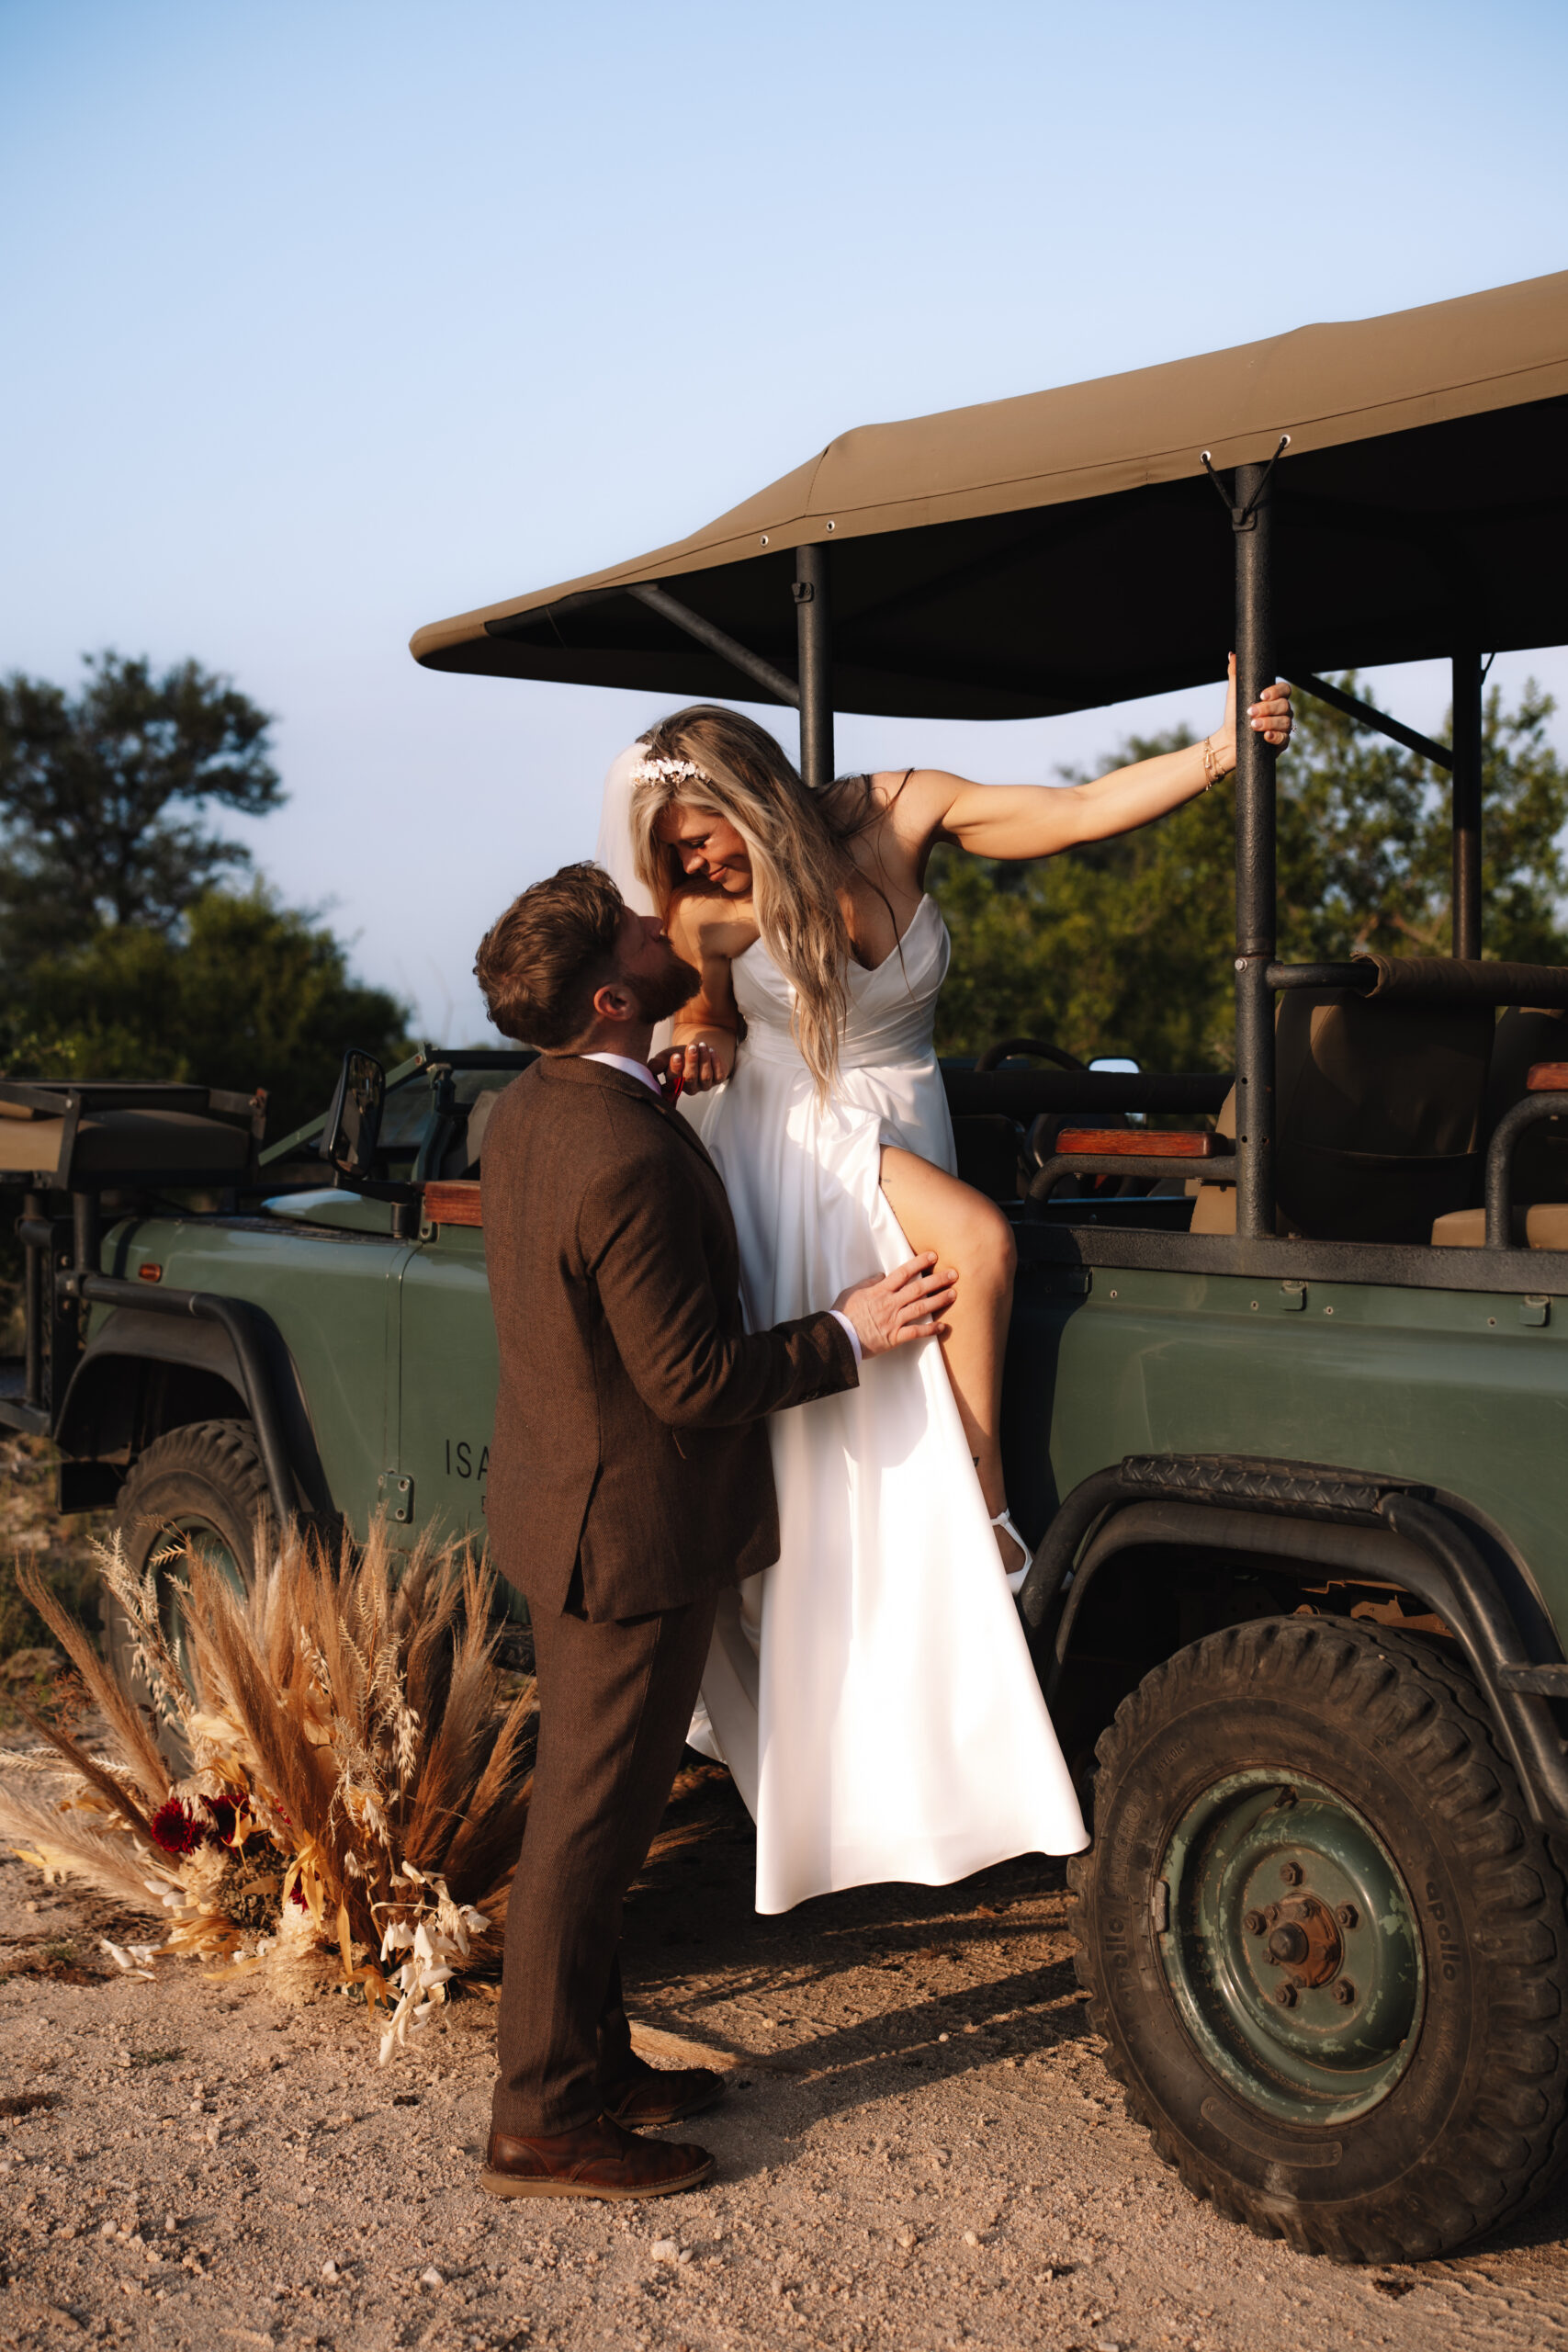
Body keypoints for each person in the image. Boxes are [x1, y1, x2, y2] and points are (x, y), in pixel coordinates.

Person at [597, 662, 1293, 1914]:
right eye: (674, 856)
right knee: (977, 1248)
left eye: (705, 843)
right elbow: (693, 1020)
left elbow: (1068, 816)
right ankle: (987, 1511)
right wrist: (691, 1039)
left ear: (757, 799)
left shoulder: (900, 810)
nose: (697, 871)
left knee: (872, 1442)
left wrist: (1213, 758)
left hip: (904, 1116)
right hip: (798, 1143)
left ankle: (897, 1762)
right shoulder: (706, 912)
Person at [472, 863, 959, 2202]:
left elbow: (596, 1216)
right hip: (630, 1531)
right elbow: (690, 1380)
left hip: (563, 1508)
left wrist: (660, 1098)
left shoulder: (532, 1110)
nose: (666, 918)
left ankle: (593, 2062)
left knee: (592, 1812)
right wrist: (849, 1333)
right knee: (589, 1826)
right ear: (617, 996)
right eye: (640, 928)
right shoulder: (620, 1148)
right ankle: (542, 2118)